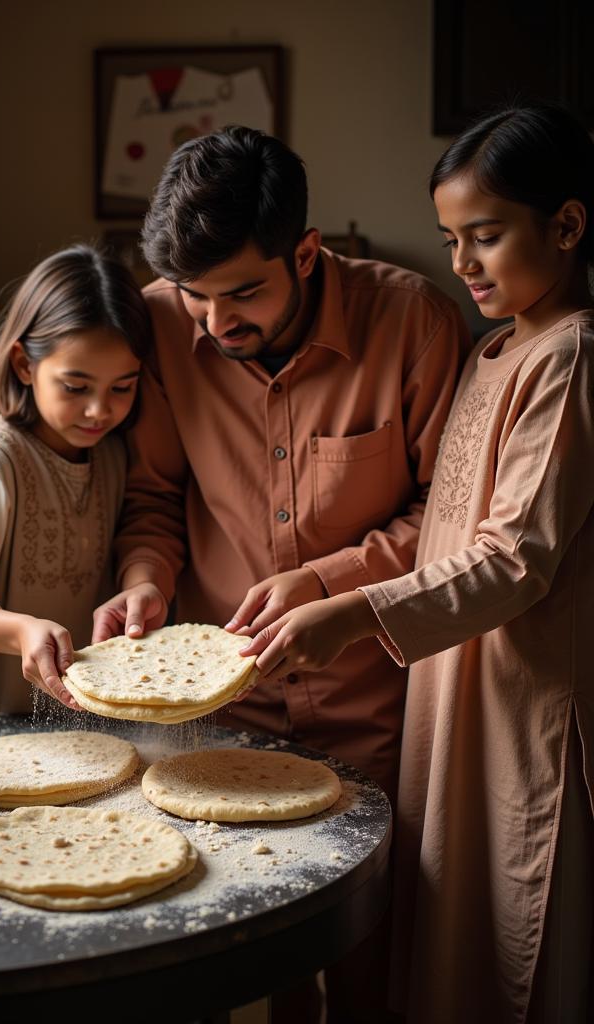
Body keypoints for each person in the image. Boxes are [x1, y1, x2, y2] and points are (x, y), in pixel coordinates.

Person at [91, 126, 470, 1020]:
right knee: (249, 948)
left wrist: (329, 580)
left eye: (244, 293)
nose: (217, 324)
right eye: (195, 297)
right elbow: (152, 498)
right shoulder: (155, 323)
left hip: (384, 699)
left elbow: (444, 520)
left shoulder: (413, 319)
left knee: (372, 946)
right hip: (224, 714)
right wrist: (145, 577)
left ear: (307, 252)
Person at [242, 104, 594, 1024]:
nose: (463, 263)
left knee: (517, 923)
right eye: (451, 239)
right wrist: (330, 587)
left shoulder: (572, 356)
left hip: (522, 693)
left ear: (567, 225)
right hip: (455, 684)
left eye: (486, 235)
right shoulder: (496, 349)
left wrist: (354, 611)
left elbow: (515, 559)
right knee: (451, 926)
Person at [0, 244, 152, 714]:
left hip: (85, 720)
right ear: (25, 365)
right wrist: (21, 630)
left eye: (122, 387)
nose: (99, 409)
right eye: (75, 387)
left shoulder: (113, 455)